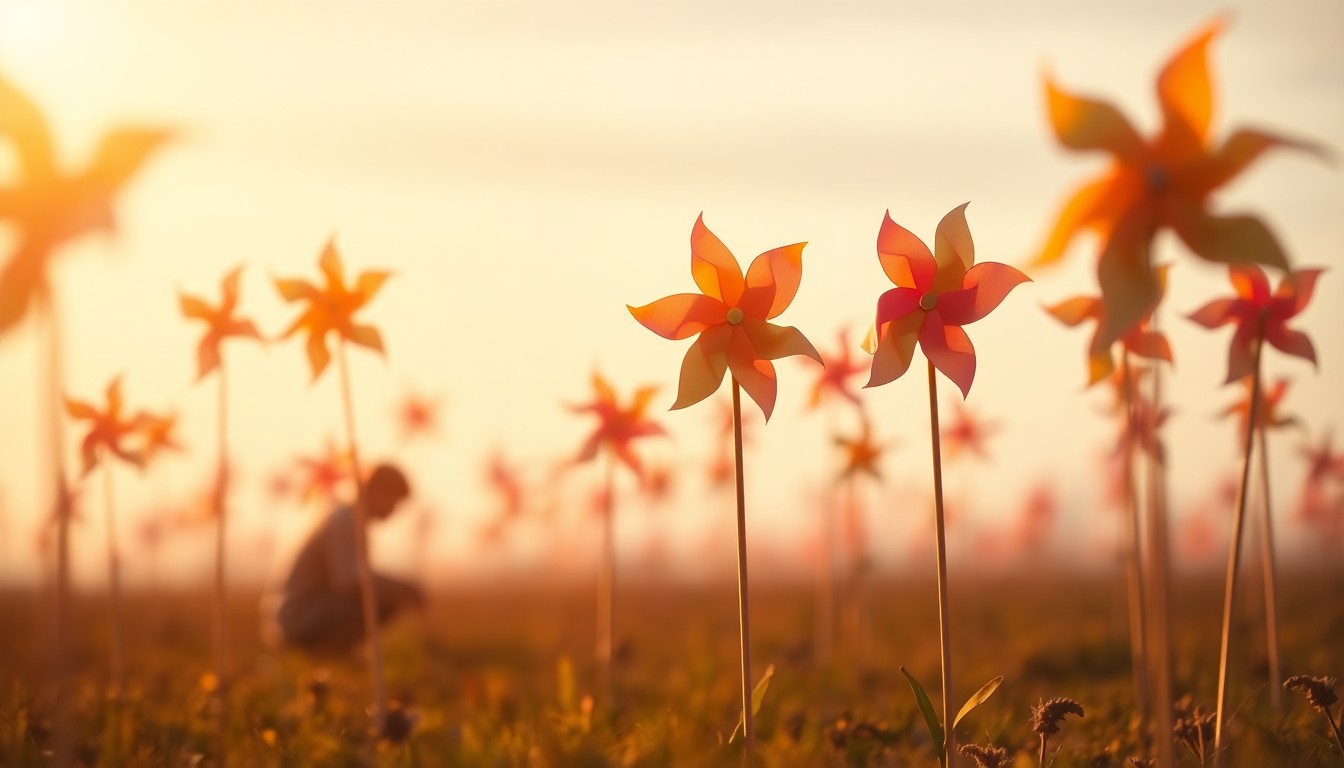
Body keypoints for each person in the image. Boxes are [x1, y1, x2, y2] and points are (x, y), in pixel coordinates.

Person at [263, 463, 425, 654]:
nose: (394, 509)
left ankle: (333, 655)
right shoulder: (347, 520)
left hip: (299, 613)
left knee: (385, 595)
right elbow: (348, 580)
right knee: (384, 600)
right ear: (377, 492)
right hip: (299, 618)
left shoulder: (349, 518)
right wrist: (403, 588)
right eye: (394, 500)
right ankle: (329, 654)